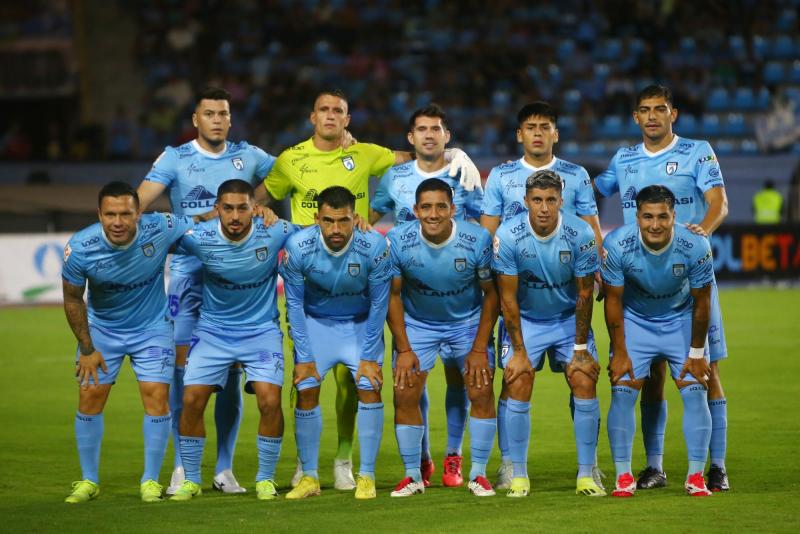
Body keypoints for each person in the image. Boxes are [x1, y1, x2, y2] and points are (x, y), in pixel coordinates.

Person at [265, 89, 481, 490]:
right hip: (351, 287)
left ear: (348, 119)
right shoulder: (289, 160)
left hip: (438, 293)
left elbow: (412, 158)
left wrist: (456, 155)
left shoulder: (369, 154)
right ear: (313, 116)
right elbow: (267, 192)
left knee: (449, 378)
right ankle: (321, 462)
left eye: (339, 111)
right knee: (406, 375)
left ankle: (437, 455)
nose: (331, 116)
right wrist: (260, 209)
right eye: (324, 110)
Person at [137, 86, 277, 494]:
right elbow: (139, 202)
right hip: (188, 274)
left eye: (223, 113)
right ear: (196, 119)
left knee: (232, 371)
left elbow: (286, 177)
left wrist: (255, 205)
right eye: (209, 113)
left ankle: (224, 468)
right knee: (185, 372)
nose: (217, 119)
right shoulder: (174, 157)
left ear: (230, 119)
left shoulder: (249, 155)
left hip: (232, 275)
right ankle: (184, 464)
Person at [594, 84, 730, 491]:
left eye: (660, 109)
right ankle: (654, 467)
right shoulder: (625, 158)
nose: (652, 116)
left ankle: (716, 466)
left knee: (707, 372)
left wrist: (700, 234)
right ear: (635, 117)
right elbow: (587, 193)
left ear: (674, 113)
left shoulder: (697, 150)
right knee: (648, 376)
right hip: (639, 282)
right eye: (644, 110)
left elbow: (719, 201)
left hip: (690, 279)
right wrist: (595, 242)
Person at [479, 101, 603, 490]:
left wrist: (596, 270)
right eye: (530, 126)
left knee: (584, 376)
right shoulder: (501, 177)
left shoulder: (577, 177)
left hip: (567, 311)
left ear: (555, 132)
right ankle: (513, 468)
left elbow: (590, 230)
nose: (537, 132)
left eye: (544, 126)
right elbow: (488, 234)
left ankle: (589, 467)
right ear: (520, 134)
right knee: (515, 377)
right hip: (524, 308)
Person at [370, 104, 484, 487]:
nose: (430, 135)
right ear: (411, 138)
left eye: (437, 128)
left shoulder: (463, 173)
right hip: (415, 298)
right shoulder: (395, 176)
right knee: (410, 381)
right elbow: (370, 217)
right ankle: (420, 459)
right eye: (422, 129)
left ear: (447, 136)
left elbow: (486, 223)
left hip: (461, 295)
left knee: (459, 380)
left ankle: (454, 455)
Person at [62, 182, 193, 503]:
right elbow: (72, 299)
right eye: (110, 214)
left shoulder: (160, 226)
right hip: (103, 331)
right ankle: (88, 480)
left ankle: (150, 481)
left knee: (157, 399)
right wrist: (88, 349)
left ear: (139, 213)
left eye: (125, 214)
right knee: (89, 398)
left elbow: (202, 222)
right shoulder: (80, 247)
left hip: (151, 329)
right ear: (99, 214)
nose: (117, 222)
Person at [169, 180, 295, 501]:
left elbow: (316, 236)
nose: (235, 215)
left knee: (269, 400)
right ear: (218, 210)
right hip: (212, 332)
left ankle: (265, 479)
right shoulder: (201, 238)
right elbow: (154, 238)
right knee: (192, 400)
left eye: (243, 208)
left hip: (261, 332)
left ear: (255, 208)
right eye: (228, 208)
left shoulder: (275, 231)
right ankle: (192, 480)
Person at [385, 178, 499, 497]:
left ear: (453, 209)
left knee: (481, 389)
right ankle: (413, 475)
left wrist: (479, 348)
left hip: (466, 323)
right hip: (419, 324)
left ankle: (477, 472)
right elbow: (392, 296)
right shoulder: (397, 240)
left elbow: (492, 295)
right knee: (405, 392)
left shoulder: (477, 241)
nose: (433, 214)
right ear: (415, 211)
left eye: (440, 206)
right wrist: (404, 348)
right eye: (426, 207)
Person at [602, 185, 715, 498]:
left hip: (680, 320)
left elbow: (703, 301)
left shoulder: (695, 245)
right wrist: (620, 351)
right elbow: (612, 301)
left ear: (674, 216)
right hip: (636, 323)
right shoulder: (617, 244)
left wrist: (696, 352)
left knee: (695, 393)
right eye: (648, 216)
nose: (655, 224)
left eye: (662, 217)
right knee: (622, 392)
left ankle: (695, 476)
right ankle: (623, 476)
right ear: (637, 217)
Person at [280, 186, 392, 500]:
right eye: (328, 221)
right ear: (316, 218)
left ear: (355, 218)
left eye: (343, 221)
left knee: (370, 386)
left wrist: (369, 355)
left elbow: (379, 305)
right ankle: (309, 477)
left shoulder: (375, 246)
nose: (336, 229)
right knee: (306, 388)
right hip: (317, 325)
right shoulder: (298, 247)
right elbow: (294, 306)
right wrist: (303, 357)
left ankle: (366, 475)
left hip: (359, 326)